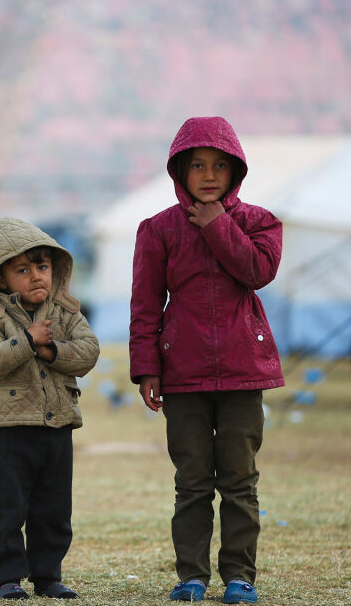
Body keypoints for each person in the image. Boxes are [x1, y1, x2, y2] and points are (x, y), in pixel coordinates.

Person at [129, 116, 285, 604]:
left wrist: (218, 223)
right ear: (180, 170)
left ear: (236, 170)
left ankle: (240, 577)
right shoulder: (158, 229)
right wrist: (147, 367)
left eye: (220, 164)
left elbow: (257, 270)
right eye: (197, 165)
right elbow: (146, 304)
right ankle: (191, 577)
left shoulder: (259, 223)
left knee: (239, 481)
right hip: (183, 374)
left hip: (243, 373)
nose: (209, 174)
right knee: (192, 482)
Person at [0, 217, 101, 600]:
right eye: (22, 270)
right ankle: (9, 577)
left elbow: (89, 352)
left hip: (58, 426)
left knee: (54, 508)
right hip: (9, 429)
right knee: (9, 508)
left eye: (42, 267)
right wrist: (28, 340)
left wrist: (53, 350)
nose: (35, 277)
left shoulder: (66, 313)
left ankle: (48, 576)